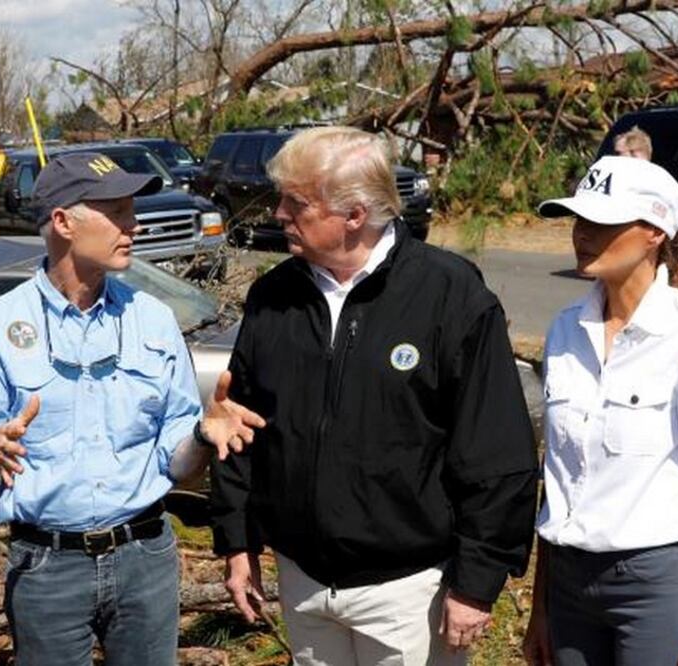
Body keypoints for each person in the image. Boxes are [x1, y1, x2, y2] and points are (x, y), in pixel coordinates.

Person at [211, 126, 539, 666]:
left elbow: (495, 452)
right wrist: (236, 539)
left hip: (409, 592)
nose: (279, 215)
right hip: (304, 582)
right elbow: (240, 424)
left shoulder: (450, 295)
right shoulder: (274, 298)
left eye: (296, 203)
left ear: (354, 215)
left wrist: (476, 582)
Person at [0, 152, 264, 666]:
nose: (132, 224)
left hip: (146, 560)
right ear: (64, 222)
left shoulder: (155, 321)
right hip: (47, 567)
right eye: (115, 211)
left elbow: (175, 466)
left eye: (130, 210)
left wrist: (203, 437)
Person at [523, 156, 678, 666]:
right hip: (568, 586)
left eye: (602, 222)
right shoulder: (564, 331)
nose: (581, 234)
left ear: (653, 232)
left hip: (653, 584)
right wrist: (541, 609)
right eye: (579, 220)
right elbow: (558, 481)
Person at [613, 126, 678, 242]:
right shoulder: (615, 183)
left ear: (635, 154)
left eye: (618, 153)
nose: (613, 159)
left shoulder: (666, 186)